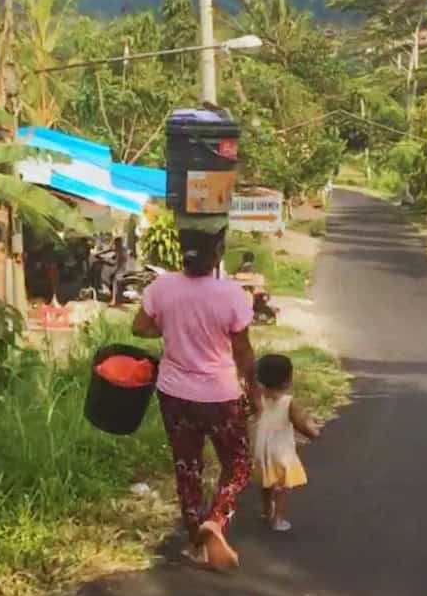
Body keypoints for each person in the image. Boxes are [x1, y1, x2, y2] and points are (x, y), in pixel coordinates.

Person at [132, 227, 260, 571]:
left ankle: (195, 544)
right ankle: (215, 520)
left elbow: (139, 327)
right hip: (220, 395)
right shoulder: (231, 295)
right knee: (239, 465)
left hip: (174, 393)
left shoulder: (162, 287)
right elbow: (243, 350)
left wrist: (170, 327)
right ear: (216, 254)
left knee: (187, 468)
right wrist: (255, 391)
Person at [251, 354, 320, 533]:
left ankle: (267, 511)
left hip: (262, 449)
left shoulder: (258, 399)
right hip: (281, 451)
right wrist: (313, 434)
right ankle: (278, 519)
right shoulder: (288, 402)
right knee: (282, 487)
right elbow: (301, 424)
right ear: (287, 380)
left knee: (266, 482)